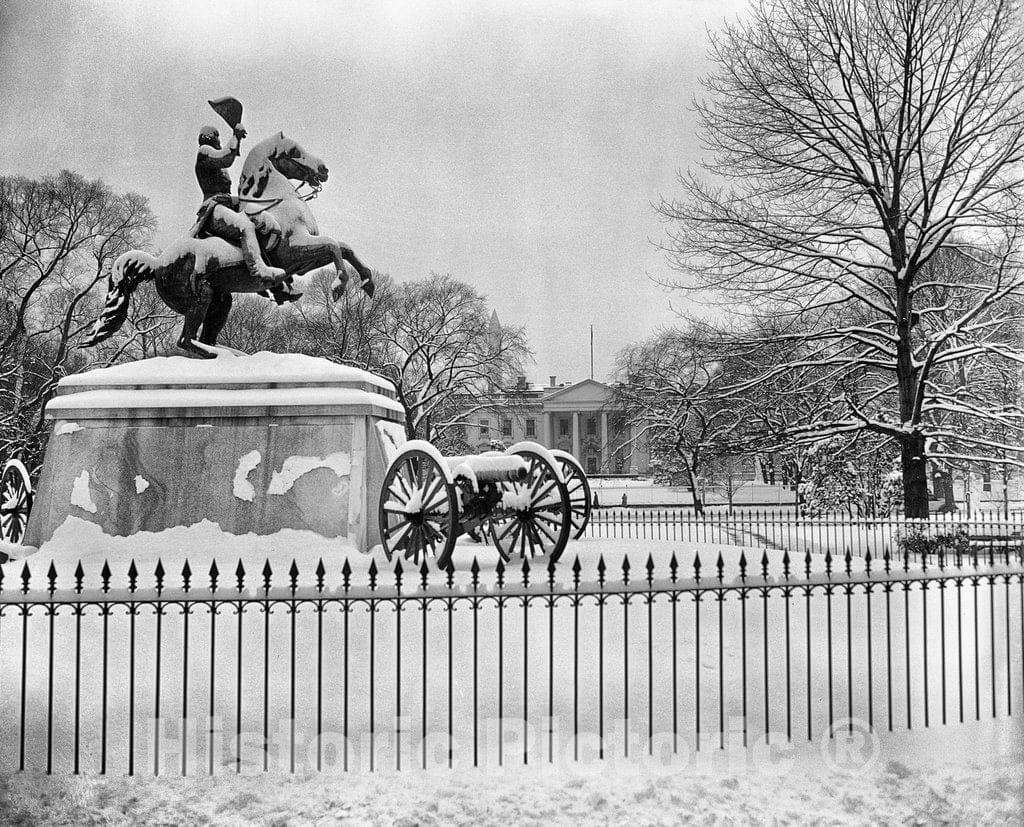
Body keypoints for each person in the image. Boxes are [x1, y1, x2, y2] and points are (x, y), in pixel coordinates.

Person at [192, 123, 287, 289]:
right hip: (213, 207)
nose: (219, 142)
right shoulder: (204, 152)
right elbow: (225, 158)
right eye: (217, 138)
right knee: (244, 226)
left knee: (258, 212)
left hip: (227, 203)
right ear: (211, 139)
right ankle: (258, 270)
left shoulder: (213, 158)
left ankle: (279, 287)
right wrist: (235, 136)